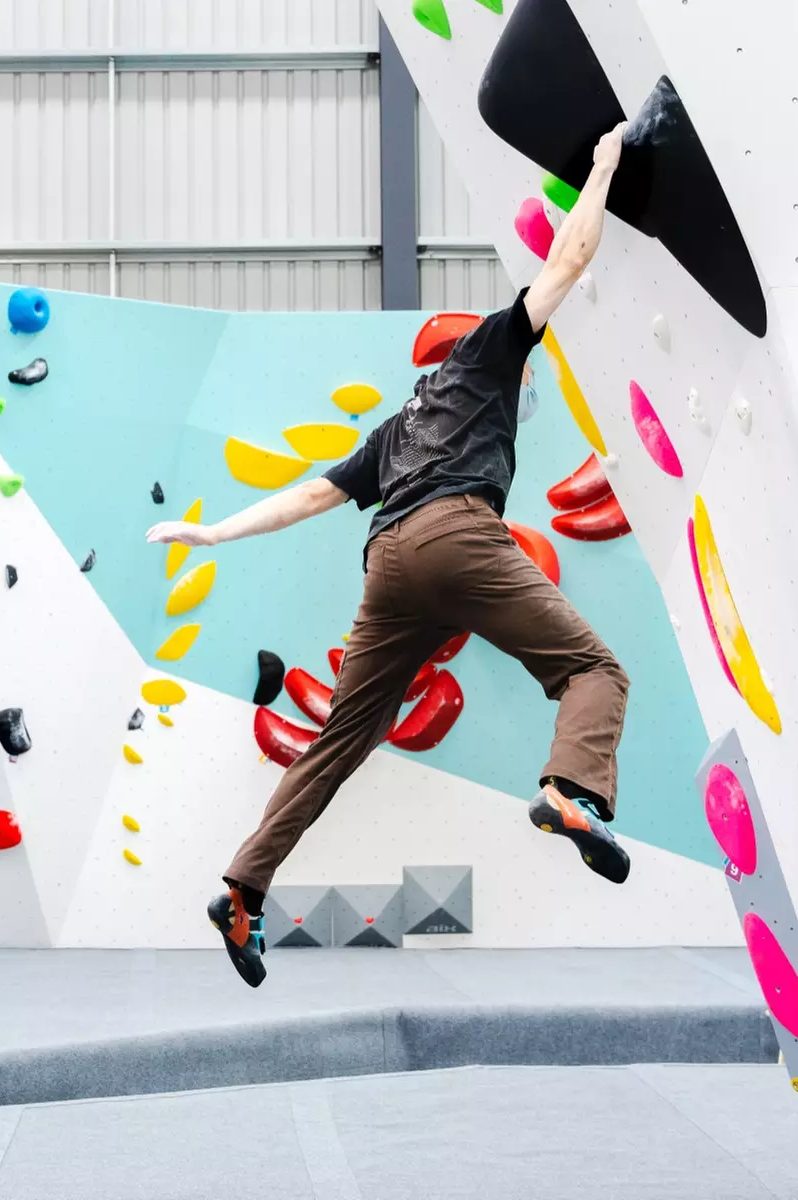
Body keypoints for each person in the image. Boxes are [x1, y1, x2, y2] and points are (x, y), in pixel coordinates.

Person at [145, 123, 635, 988]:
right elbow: (565, 263)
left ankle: (242, 892)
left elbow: (308, 495)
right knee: (594, 670)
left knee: (340, 739)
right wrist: (601, 167)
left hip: (389, 569)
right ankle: (572, 793)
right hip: (457, 537)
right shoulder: (487, 355)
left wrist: (214, 533)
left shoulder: (394, 429)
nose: (526, 387)